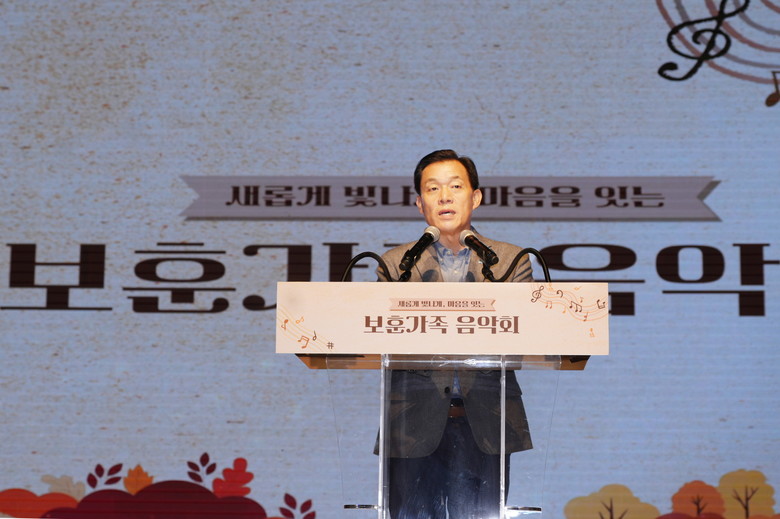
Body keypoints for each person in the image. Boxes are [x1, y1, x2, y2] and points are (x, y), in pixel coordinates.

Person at [376, 149, 533, 519]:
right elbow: (388, 340)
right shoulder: (395, 264)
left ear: (475, 197)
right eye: (433, 189)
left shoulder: (511, 260)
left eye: (455, 186)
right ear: (420, 203)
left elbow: (522, 336)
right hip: (410, 420)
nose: (444, 197)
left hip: (486, 419)